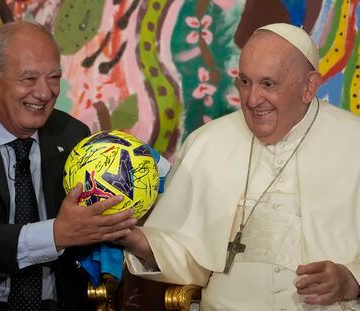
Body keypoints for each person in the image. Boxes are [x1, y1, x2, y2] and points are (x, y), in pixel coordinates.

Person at [118, 23, 360, 310]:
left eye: (268, 84)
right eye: (245, 82)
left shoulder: (353, 141)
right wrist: (131, 238)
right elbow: (185, 252)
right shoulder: (207, 143)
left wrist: (351, 279)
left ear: (309, 87)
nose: (252, 99)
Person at [0, 21, 136, 311]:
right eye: (28, 79)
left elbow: (87, 236)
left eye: (54, 77)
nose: (45, 93)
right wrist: (55, 234)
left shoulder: (72, 135)